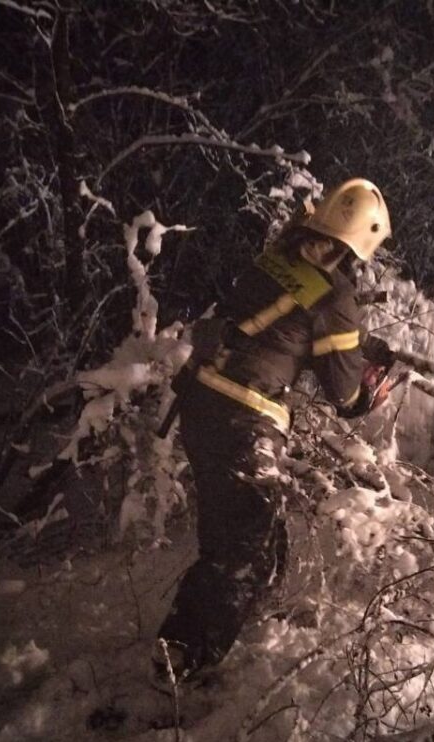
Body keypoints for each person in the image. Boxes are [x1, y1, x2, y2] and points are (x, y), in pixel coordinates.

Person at [155, 178, 396, 680]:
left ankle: (201, 643)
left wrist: (358, 345)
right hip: (241, 417)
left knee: (255, 543)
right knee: (246, 553)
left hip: (204, 403)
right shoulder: (337, 294)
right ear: (362, 244)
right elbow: (346, 397)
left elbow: (284, 325)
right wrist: (374, 387)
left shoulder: (283, 255)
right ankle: (180, 668)